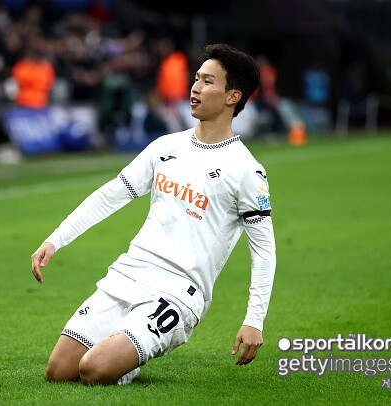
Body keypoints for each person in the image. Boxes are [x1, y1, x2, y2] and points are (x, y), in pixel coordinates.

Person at [31, 43, 276, 385]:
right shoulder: (166, 146)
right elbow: (110, 195)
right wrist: (56, 240)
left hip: (178, 293)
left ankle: (125, 356)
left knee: (92, 369)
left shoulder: (246, 170)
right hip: (129, 273)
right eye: (196, 78)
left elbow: (263, 250)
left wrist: (254, 320)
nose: (195, 87)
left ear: (233, 96)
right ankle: (122, 344)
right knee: (59, 372)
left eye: (208, 82)